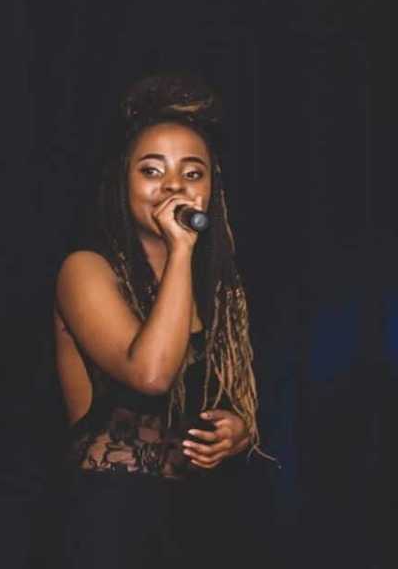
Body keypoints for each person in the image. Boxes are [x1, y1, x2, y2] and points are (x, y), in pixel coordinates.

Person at [53, 73, 277, 568]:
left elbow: (223, 393)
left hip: (197, 520)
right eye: (152, 171)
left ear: (211, 189)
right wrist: (180, 250)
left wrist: (237, 431)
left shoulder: (215, 285)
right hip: (112, 519)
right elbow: (151, 375)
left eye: (192, 173)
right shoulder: (85, 270)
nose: (174, 186)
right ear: (123, 181)